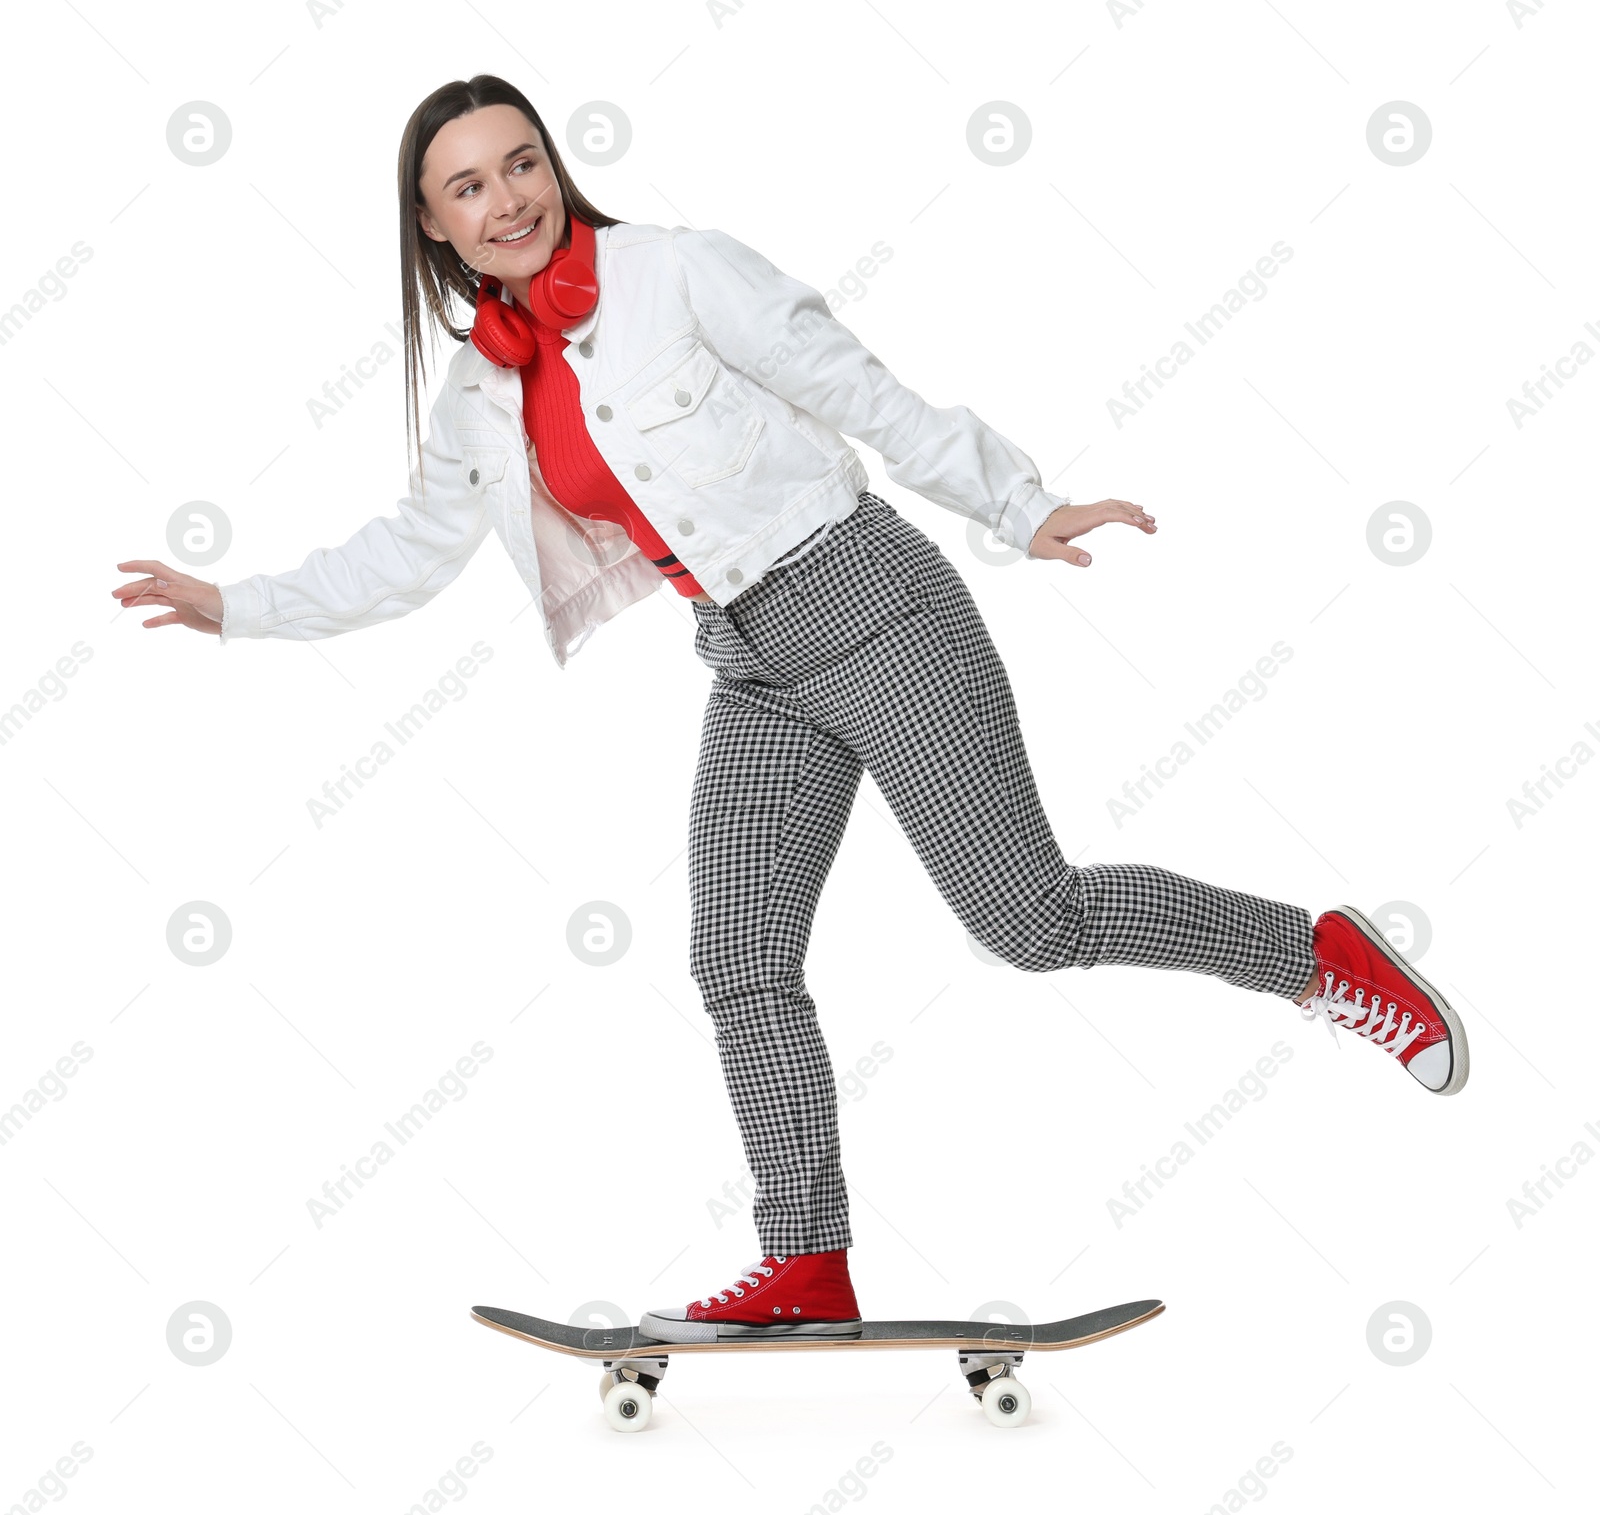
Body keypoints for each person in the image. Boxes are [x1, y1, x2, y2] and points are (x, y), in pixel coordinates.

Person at [112, 74, 1469, 1347]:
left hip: (871, 605)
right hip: (751, 656)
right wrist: (235, 604)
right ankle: (808, 1260)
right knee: (739, 960)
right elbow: (410, 550)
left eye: (522, 162)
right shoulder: (484, 387)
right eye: (468, 184)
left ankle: (1318, 953)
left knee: (1032, 920)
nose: (506, 197)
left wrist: (1022, 502)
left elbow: (855, 388)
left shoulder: (676, 270)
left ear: (556, 166)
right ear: (432, 221)